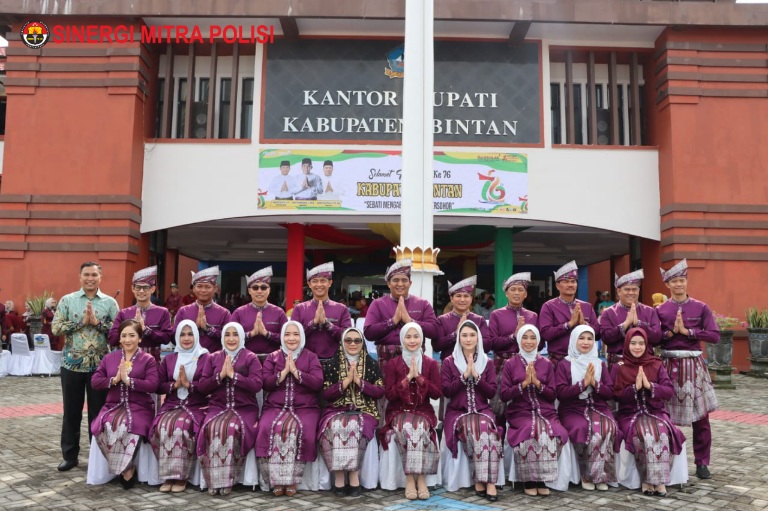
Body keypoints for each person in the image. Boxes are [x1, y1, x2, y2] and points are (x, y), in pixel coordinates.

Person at [52, 262, 119, 472]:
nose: (90, 278)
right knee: (71, 411)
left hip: (100, 367)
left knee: (98, 413)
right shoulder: (68, 300)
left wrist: (98, 323)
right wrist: (81, 322)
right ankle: (70, 456)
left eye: (94, 275)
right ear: (80, 277)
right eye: (86, 275)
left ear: (100, 277)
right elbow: (55, 328)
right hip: (71, 365)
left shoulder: (110, 303)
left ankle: (98, 457)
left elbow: (118, 332)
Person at [656, 259, 719, 480]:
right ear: (667, 284)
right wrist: (671, 333)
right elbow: (654, 338)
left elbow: (714, 335)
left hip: (694, 365)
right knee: (665, 415)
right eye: (674, 281)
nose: (679, 284)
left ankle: (702, 462)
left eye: (682, 280)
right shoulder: (660, 310)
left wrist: (689, 332)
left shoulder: (701, 307)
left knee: (701, 418)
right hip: (668, 365)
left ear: (686, 282)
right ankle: (667, 460)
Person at [612, 328, 686, 497]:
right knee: (642, 434)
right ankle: (647, 480)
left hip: (655, 411)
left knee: (662, 432)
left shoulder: (656, 364)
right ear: (626, 344)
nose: (637, 347)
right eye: (633, 343)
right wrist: (634, 388)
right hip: (629, 413)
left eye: (641, 343)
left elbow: (669, 391)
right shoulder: (619, 367)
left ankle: (660, 481)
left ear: (646, 345)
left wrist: (649, 386)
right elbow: (615, 395)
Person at [256, 321, 324, 497]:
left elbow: (317, 383)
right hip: (275, 406)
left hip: (305, 407)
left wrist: (296, 373)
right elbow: (265, 383)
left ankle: (292, 480)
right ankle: (277, 480)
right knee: (267, 428)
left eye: (295, 334)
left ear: (302, 337)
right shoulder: (273, 357)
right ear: (281, 337)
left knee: (301, 429)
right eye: (287, 334)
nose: (291, 338)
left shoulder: (311, 357)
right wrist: (283, 372)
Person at [90, 319, 159, 488]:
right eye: (124, 336)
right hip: (113, 405)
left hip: (139, 406)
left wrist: (129, 381)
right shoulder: (110, 358)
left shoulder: (148, 359)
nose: (127, 340)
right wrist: (114, 380)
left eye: (132, 335)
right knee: (104, 424)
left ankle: (124, 467)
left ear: (140, 338)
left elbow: (153, 384)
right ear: (119, 339)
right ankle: (126, 468)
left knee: (126, 424)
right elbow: (95, 381)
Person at [500, 324, 567, 496]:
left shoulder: (546, 364)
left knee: (551, 431)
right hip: (519, 411)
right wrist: (523, 384)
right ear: (519, 340)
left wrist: (537, 383)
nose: (529, 342)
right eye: (525, 337)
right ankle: (528, 479)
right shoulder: (510, 364)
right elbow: (504, 395)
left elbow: (552, 395)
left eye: (532, 338)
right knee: (530, 430)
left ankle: (542, 478)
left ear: (538, 341)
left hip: (545, 411)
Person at [196, 322, 262, 496]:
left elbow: (257, 385)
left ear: (241, 337)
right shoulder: (213, 358)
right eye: (227, 335)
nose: (231, 339)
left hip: (244, 409)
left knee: (231, 428)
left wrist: (234, 376)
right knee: (212, 427)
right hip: (218, 407)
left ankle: (227, 480)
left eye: (235, 335)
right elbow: (202, 386)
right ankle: (214, 479)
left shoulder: (250, 357)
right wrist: (220, 377)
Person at [379, 322, 442, 500]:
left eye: (416, 336)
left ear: (421, 339)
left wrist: (420, 378)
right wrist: (407, 379)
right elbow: (389, 395)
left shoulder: (430, 363)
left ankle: (421, 478)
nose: (412, 340)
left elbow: (437, 393)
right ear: (402, 339)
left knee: (419, 427)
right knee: (406, 426)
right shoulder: (393, 364)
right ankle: (409, 479)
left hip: (422, 410)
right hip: (398, 410)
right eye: (408, 337)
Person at [319, 327, 384, 497]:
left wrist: (360, 382)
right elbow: (326, 394)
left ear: (362, 343)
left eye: (357, 340)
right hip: (335, 410)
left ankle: (354, 475)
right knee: (336, 426)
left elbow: (379, 391)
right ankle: (339, 477)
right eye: (348, 340)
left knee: (355, 425)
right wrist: (346, 382)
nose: (353, 344)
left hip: (365, 411)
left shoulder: (371, 364)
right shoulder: (332, 364)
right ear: (342, 342)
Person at [441, 320, 502, 502]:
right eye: (464, 335)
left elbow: (491, 392)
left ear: (478, 338)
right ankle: (479, 479)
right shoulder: (449, 362)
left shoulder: (486, 362)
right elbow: (446, 391)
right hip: (458, 412)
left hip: (482, 410)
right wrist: (464, 377)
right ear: (459, 338)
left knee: (488, 431)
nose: (468, 339)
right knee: (474, 429)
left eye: (472, 335)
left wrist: (476, 376)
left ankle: (489, 482)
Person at [150, 320, 210, 493]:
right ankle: (168, 475)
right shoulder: (170, 359)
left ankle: (180, 476)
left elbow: (208, 386)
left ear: (196, 336)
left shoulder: (205, 357)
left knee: (181, 426)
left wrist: (189, 385)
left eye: (190, 334)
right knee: (161, 426)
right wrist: (175, 385)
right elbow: (159, 386)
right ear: (177, 337)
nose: (186, 338)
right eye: (182, 334)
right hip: (172, 403)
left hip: (197, 405)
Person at [555, 325, 617, 491]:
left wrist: (594, 384)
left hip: (598, 406)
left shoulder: (600, 364)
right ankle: (586, 474)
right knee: (581, 427)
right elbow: (561, 393)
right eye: (581, 338)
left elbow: (609, 392)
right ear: (574, 340)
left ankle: (602, 475)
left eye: (590, 339)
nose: (586, 342)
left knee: (607, 426)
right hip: (572, 408)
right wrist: (582, 384)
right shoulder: (564, 364)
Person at [364, 259, 440, 380]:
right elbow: (368, 333)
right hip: (387, 359)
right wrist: (393, 321)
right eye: (395, 280)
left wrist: (410, 321)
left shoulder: (422, 304)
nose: (400, 284)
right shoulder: (378, 304)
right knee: (388, 391)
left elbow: (435, 331)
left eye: (404, 280)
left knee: (417, 391)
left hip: (415, 358)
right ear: (388, 283)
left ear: (410, 283)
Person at [488, 272, 539, 423]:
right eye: (513, 289)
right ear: (506, 293)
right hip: (501, 364)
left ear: (526, 294)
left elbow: (539, 342)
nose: (516, 293)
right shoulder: (497, 314)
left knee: (523, 405)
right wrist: (513, 336)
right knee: (498, 408)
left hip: (526, 364)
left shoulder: (532, 316)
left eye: (520, 290)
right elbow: (492, 343)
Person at [598, 270, 662, 370]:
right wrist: (625, 325)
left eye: (634, 289)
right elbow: (605, 338)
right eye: (627, 289)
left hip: (645, 364)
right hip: (618, 365)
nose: (631, 293)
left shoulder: (650, 311)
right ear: (619, 291)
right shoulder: (608, 313)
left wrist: (639, 324)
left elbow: (657, 338)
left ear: (639, 291)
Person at [291, 262, 352, 366]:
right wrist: (313, 323)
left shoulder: (341, 309)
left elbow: (348, 338)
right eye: (315, 281)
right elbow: (293, 337)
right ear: (309, 284)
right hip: (305, 363)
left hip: (334, 363)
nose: (319, 285)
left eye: (323, 281)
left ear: (330, 283)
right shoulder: (299, 309)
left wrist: (327, 324)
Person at [108, 266, 173, 363]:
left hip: (153, 363)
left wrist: (146, 330)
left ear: (153, 289)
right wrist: (130, 330)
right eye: (138, 287)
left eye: (145, 288)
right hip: (127, 364)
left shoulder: (162, 312)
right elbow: (112, 339)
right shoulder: (124, 313)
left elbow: (166, 338)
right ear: (132, 288)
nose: (141, 291)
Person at [539, 260, 600, 365]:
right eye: (566, 282)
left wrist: (584, 324)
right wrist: (569, 324)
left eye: (573, 281)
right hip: (558, 360)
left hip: (584, 361)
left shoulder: (587, 306)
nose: (570, 284)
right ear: (557, 286)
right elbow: (545, 334)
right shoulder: (549, 306)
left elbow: (598, 333)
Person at [231, 266, 288, 361]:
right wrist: (251, 334)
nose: (259, 291)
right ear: (249, 291)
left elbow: (287, 338)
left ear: (269, 290)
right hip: (245, 360)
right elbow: (230, 338)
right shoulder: (239, 312)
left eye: (263, 287)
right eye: (255, 288)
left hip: (272, 361)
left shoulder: (279, 312)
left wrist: (267, 334)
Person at [174, 266, 231, 353]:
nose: (203, 290)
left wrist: (208, 328)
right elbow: (174, 338)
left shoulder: (224, 313)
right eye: (199, 286)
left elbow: (230, 339)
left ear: (215, 288)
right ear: (193, 289)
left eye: (207, 287)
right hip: (188, 358)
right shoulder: (183, 311)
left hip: (214, 359)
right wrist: (194, 328)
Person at [434, 276, 490, 361]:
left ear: (471, 299)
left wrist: (471, 336)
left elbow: (487, 346)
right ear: (451, 298)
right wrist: (455, 334)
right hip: (449, 366)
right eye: (458, 296)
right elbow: (437, 346)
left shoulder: (479, 320)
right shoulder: (442, 320)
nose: (462, 300)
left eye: (466, 296)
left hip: (475, 365)